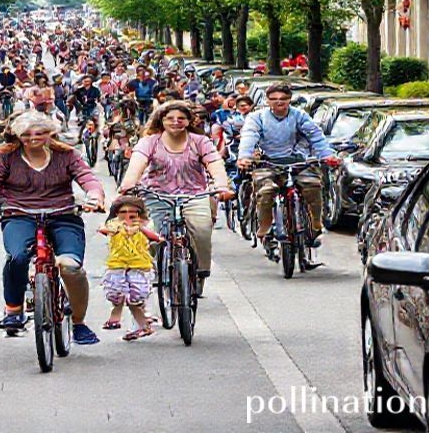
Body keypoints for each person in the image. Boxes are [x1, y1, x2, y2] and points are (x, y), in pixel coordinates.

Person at [0, 112, 105, 344]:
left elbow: (87, 177)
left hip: (63, 214)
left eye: (40, 133)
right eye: (27, 134)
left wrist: (94, 196)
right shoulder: (5, 156)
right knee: (17, 257)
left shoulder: (67, 154)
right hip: (18, 214)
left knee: (71, 267)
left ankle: (79, 322)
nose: (34, 138)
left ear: (50, 133)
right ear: (17, 135)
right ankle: (13, 310)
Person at [119, 101, 233, 293]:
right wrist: (129, 183)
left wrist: (222, 185)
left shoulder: (200, 141)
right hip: (157, 195)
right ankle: (155, 268)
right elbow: (137, 162)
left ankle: (200, 271)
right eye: (170, 118)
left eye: (181, 118)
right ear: (161, 120)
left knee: (202, 230)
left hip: (194, 195)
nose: (176, 122)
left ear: (189, 121)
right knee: (152, 235)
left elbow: (214, 162)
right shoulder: (150, 141)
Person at [236, 83, 340, 248]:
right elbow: (250, 135)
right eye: (274, 99)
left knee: (312, 185)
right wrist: (244, 157)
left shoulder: (299, 115)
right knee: (266, 190)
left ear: (289, 100)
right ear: (267, 100)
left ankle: (314, 225)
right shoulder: (257, 117)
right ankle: (265, 226)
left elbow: (315, 135)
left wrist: (327, 155)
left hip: (297, 161)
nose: (279, 102)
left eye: (283, 99)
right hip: (267, 162)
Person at [99, 196, 162, 340]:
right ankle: (117, 315)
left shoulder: (145, 224)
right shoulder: (114, 224)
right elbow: (104, 229)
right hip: (117, 264)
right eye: (123, 212)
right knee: (115, 290)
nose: (128, 215)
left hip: (139, 265)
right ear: (117, 213)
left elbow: (155, 237)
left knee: (136, 296)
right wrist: (115, 229)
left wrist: (140, 228)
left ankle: (143, 325)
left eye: (133, 212)